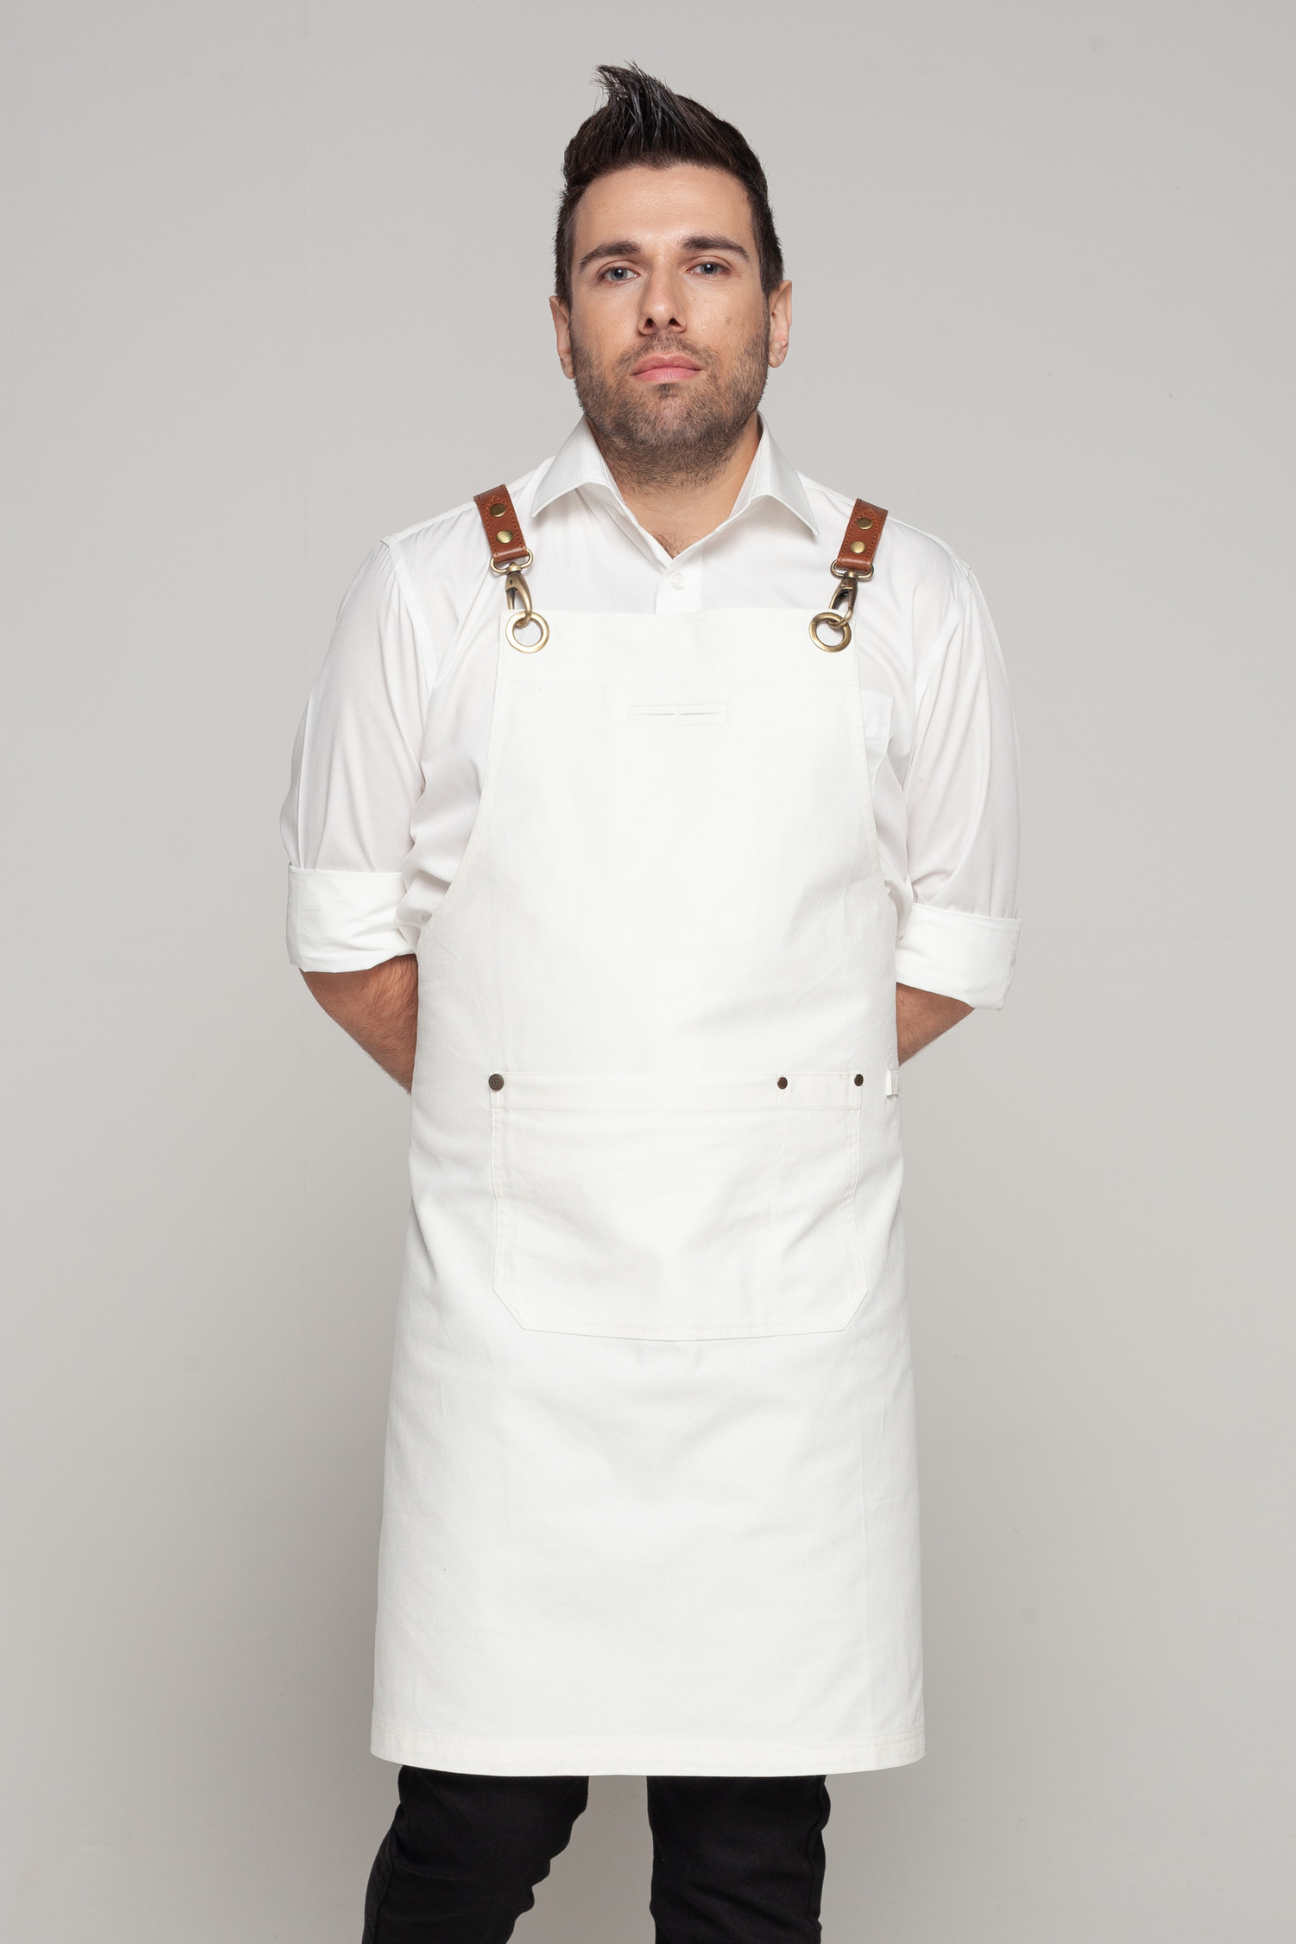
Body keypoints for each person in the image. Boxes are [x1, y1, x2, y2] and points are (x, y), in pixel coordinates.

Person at [282, 62, 1021, 1944]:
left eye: (709, 262)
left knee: (753, 1862)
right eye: (617, 270)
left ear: (781, 306)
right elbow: (347, 932)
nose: (664, 305)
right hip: (514, 1339)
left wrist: (746, 1108)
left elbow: (947, 947)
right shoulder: (428, 590)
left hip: (790, 1336)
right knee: (470, 1832)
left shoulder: (914, 598)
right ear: (561, 324)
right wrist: (548, 1111)